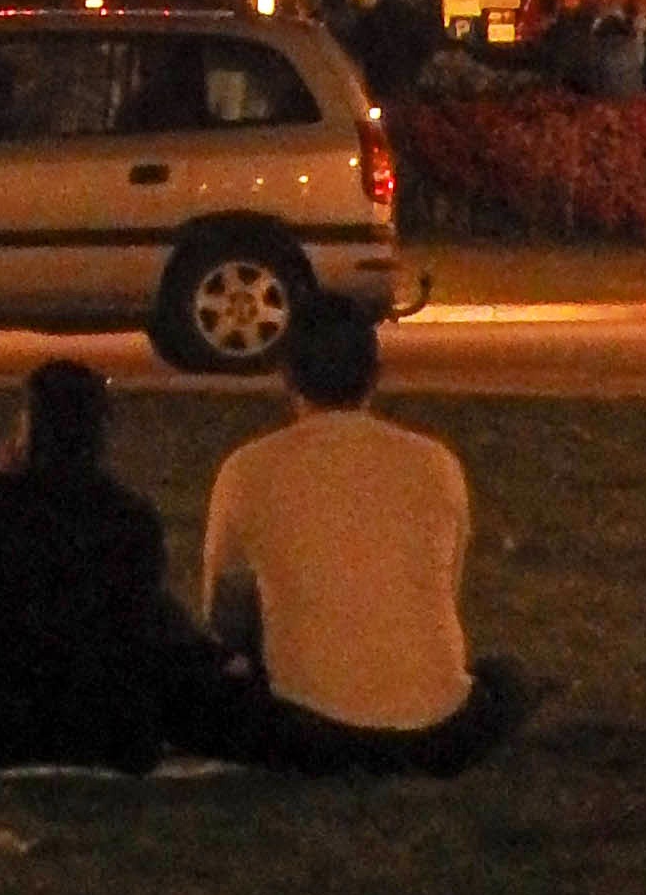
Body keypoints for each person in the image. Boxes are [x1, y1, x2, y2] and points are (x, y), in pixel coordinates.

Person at [193, 292, 521, 775]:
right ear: (375, 376)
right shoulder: (435, 462)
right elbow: (444, 590)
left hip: (308, 732)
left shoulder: (247, 468)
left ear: (288, 377)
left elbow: (221, 609)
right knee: (507, 679)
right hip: (437, 734)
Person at [0, 359, 248, 773]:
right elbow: (143, 618)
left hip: (7, 717)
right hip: (109, 725)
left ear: (31, 425)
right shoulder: (130, 515)